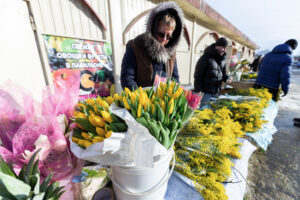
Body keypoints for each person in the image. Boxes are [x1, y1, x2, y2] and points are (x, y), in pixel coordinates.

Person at [121, 2, 183, 89]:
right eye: (161, 34)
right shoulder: (135, 46)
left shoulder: (171, 52)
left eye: (168, 36)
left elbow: (175, 78)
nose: (164, 39)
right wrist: (142, 99)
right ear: (153, 30)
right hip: (141, 100)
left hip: (164, 100)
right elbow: (127, 79)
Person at [193, 37, 232, 108]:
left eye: (225, 48)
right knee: (203, 113)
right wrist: (198, 90)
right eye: (222, 47)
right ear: (216, 46)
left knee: (212, 113)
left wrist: (227, 78)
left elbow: (223, 74)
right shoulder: (205, 58)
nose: (224, 50)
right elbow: (198, 75)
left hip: (217, 92)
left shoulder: (223, 59)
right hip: (206, 93)